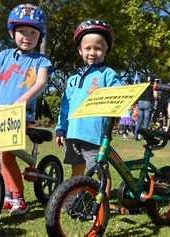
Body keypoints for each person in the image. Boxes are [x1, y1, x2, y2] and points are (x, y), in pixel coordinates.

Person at [0, 3, 52, 215]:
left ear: (39, 36)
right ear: (12, 32)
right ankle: (6, 195)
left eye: (33, 32)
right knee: (0, 155)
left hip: (21, 115)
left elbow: (40, 83)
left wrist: (24, 99)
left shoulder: (40, 60)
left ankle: (18, 198)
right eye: (22, 31)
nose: (27, 36)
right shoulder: (4, 56)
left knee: (6, 154)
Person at [55, 19, 121, 198]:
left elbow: (120, 95)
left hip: (94, 133)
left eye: (98, 48)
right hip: (74, 133)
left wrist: (124, 111)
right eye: (88, 48)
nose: (93, 52)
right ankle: (72, 200)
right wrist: (61, 129)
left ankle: (101, 204)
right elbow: (65, 106)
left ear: (106, 50)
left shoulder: (108, 74)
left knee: (100, 171)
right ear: (80, 50)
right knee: (77, 168)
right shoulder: (73, 79)